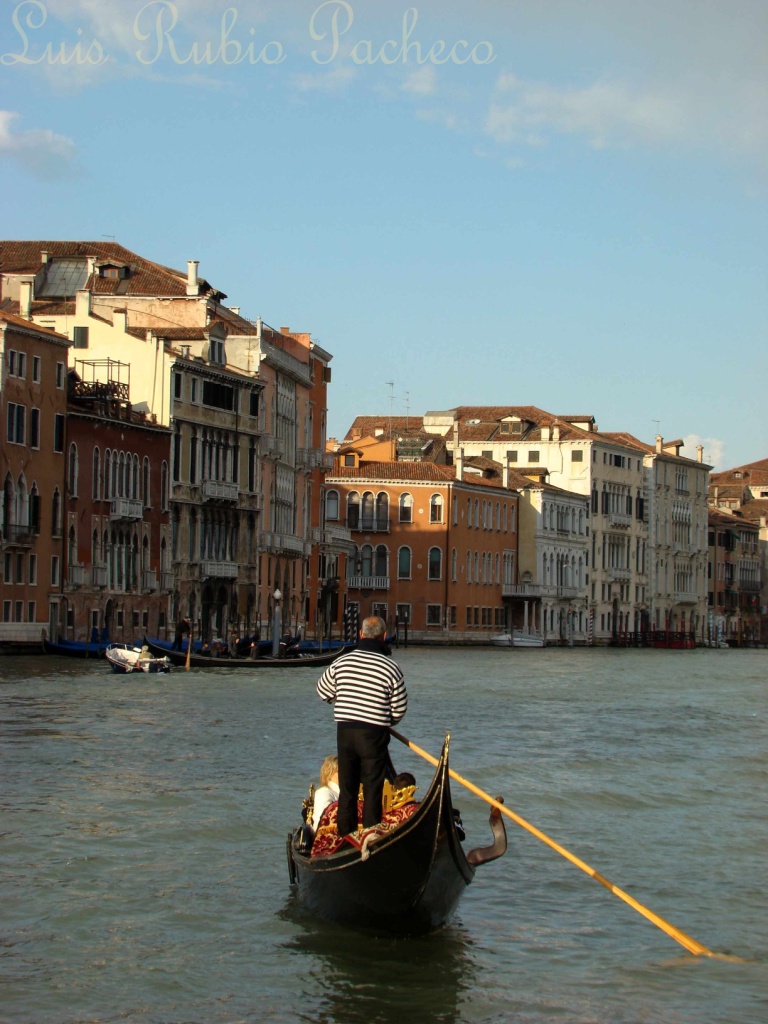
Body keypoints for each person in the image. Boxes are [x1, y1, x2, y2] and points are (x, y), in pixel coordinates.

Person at [316, 615, 407, 837]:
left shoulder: (342, 662)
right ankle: (369, 836)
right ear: (384, 636)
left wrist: (344, 701)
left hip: (345, 731)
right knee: (372, 787)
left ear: (360, 635)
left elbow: (323, 691)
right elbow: (399, 708)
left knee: (348, 789)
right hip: (374, 734)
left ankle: (345, 836)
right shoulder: (391, 667)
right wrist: (386, 720)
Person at [311, 754, 340, 831]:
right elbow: (325, 821)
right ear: (329, 773)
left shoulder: (344, 793)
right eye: (339, 771)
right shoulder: (324, 793)